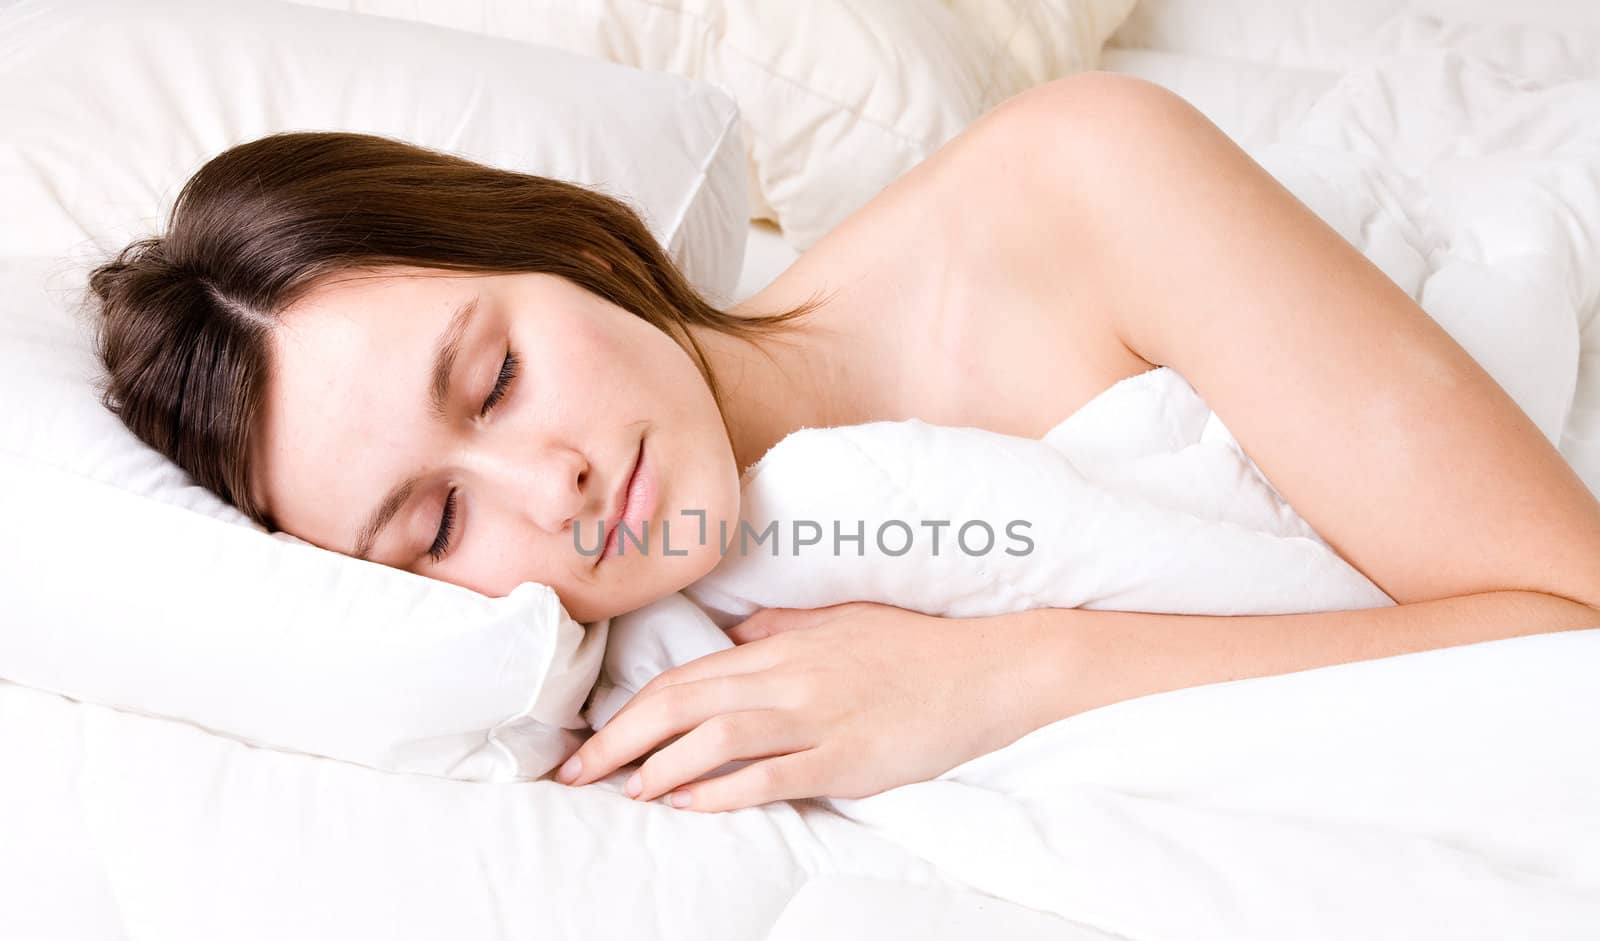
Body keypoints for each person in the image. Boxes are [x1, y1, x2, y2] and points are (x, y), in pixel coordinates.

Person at [85, 72, 1600, 814]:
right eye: (431, 525)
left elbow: (1568, 618)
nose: (542, 484)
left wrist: (1009, 674)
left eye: (491, 378)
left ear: (562, 248)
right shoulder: (632, 688)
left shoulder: (1082, 185)